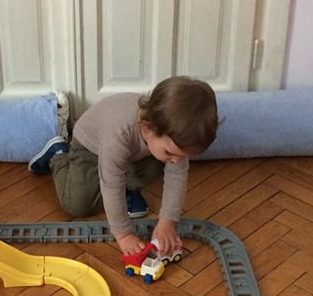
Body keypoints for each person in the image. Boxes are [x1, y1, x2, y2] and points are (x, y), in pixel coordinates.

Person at [28, 76, 218, 256]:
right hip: (90, 148)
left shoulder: (170, 133)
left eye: (183, 156)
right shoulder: (120, 132)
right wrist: (124, 234)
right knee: (77, 204)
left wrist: (167, 222)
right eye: (170, 152)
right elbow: (111, 183)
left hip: (131, 154)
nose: (177, 160)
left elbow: (176, 175)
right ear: (147, 128)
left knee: (159, 165)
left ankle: (129, 187)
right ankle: (58, 154)